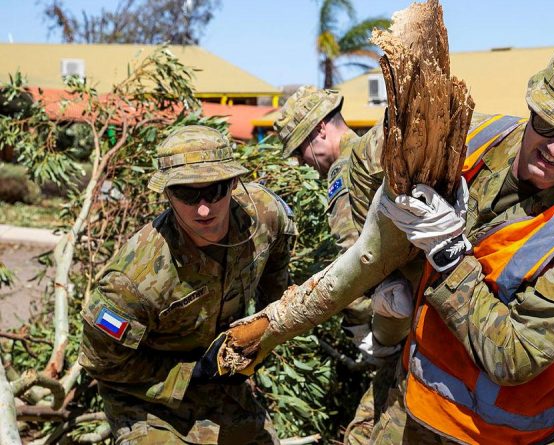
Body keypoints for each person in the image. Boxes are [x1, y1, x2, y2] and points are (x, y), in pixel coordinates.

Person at [374, 38, 554, 444]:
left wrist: (449, 256)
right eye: (548, 123)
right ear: (532, 107)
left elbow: (515, 356)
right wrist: (375, 268)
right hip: (416, 403)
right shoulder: (480, 134)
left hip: (498, 436)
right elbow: (362, 156)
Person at [79, 125, 297, 444]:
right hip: (147, 400)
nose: (204, 208)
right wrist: (192, 372)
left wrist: (268, 324)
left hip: (223, 386)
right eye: (187, 194)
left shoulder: (265, 216)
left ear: (233, 183)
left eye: (214, 190)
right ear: (167, 193)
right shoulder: (132, 280)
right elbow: (100, 364)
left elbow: (278, 258)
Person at [272, 86, 418, 444]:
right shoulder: (378, 151)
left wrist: (366, 334)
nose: (302, 162)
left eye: (301, 149)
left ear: (322, 128)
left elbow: (352, 261)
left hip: (400, 326)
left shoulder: (344, 169)